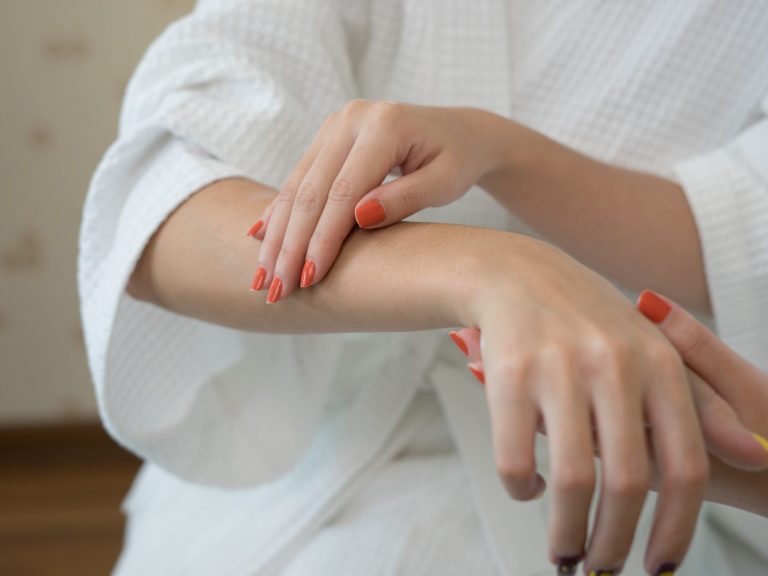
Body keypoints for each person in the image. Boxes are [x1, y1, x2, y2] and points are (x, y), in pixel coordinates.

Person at [77, 1, 768, 574]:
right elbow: (162, 203)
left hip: (623, 464)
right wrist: (494, 270)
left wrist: (503, 150)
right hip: (297, 460)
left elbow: (742, 228)